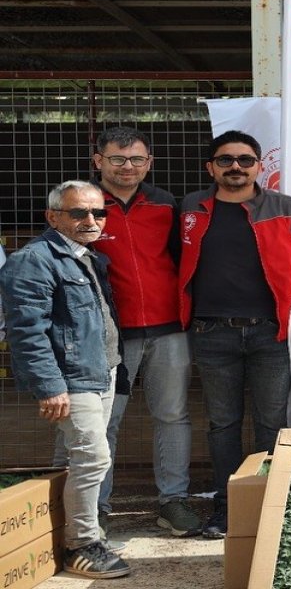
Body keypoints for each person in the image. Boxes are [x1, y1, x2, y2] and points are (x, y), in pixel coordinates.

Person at [0, 181, 131, 578]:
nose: (90, 220)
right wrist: (51, 387)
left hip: (100, 371)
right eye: (78, 213)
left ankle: (63, 533)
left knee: (78, 457)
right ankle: (82, 544)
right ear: (53, 216)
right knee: (93, 458)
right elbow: (26, 331)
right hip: (73, 380)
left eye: (98, 213)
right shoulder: (34, 260)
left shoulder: (85, 256)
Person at [178, 130, 291, 539]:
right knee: (223, 425)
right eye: (226, 159)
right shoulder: (190, 208)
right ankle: (227, 506)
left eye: (245, 160)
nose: (236, 166)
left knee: (271, 423)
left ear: (259, 165)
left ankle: (272, 503)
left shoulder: (286, 208)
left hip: (271, 333)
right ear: (210, 167)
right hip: (212, 333)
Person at [89, 127, 201, 537]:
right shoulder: (84, 205)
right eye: (117, 159)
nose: (127, 167)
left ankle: (173, 501)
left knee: (172, 415)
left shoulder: (165, 204)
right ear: (99, 160)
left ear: (149, 162)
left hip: (169, 329)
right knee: (105, 421)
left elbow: (183, 260)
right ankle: (95, 508)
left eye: (136, 159)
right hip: (108, 336)